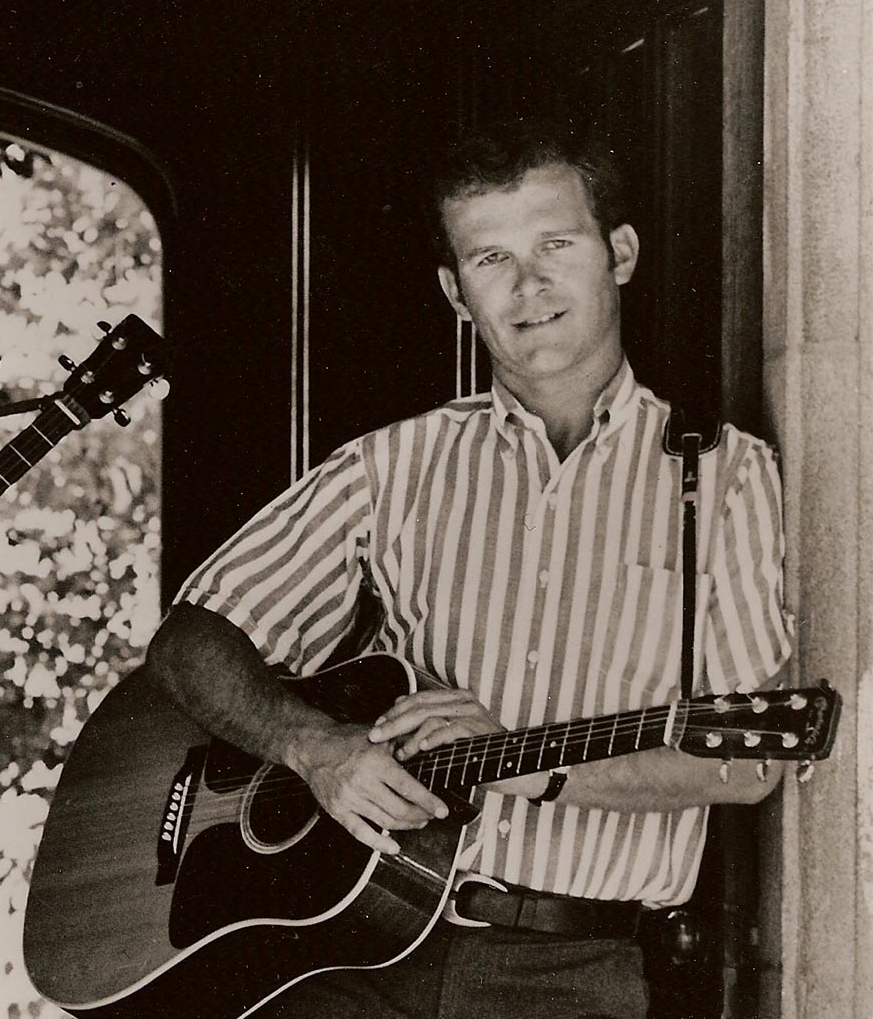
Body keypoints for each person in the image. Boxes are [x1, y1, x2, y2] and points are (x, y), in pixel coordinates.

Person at [145, 120, 793, 1018]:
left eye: (555, 245)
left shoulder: (721, 477)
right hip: (342, 954)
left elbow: (751, 762)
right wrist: (313, 747)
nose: (528, 287)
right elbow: (190, 641)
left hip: (567, 974)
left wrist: (535, 769)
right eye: (491, 260)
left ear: (622, 253)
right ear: (456, 292)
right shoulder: (393, 466)